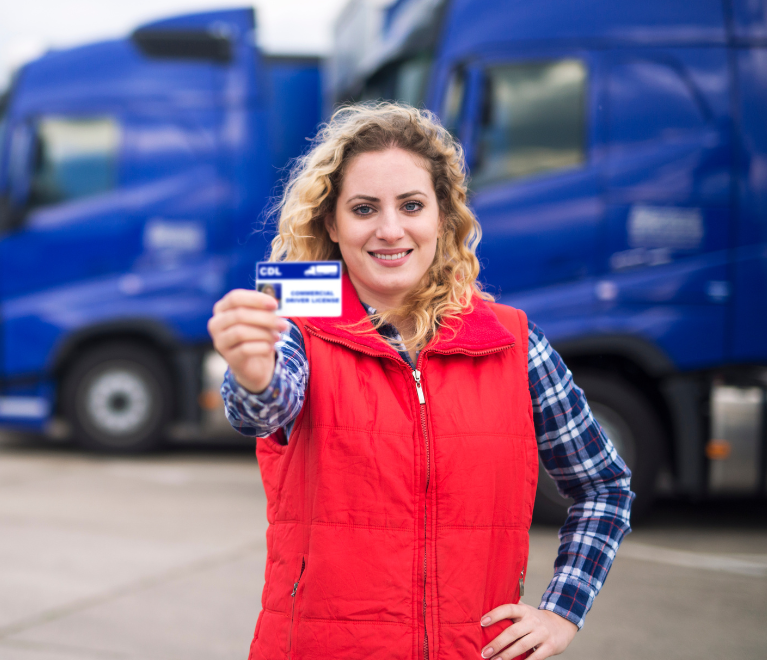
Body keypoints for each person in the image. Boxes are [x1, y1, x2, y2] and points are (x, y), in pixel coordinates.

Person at [207, 103, 634, 660]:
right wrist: (252, 374)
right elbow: (262, 410)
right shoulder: (297, 330)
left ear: (443, 218)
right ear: (332, 224)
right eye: (364, 209)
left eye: (411, 205)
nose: (390, 230)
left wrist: (561, 612)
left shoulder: (512, 342)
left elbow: (604, 486)